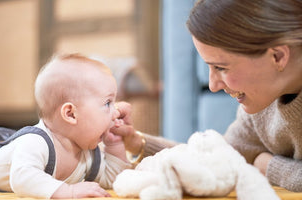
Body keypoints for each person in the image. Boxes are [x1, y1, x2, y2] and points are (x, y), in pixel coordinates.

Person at [112, 0, 302, 192]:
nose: (213, 85)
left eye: (221, 67)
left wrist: (266, 165)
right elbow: (215, 158)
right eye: (209, 68)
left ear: (278, 56)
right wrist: (137, 142)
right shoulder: (262, 105)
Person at [0, 53, 131, 198]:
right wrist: (68, 191)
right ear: (71, 114)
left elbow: (113, 181)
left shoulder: (87, 152)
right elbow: (22, 178)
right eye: (107, 103)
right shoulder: (36, 142)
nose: (115, 112)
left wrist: (115, 145)